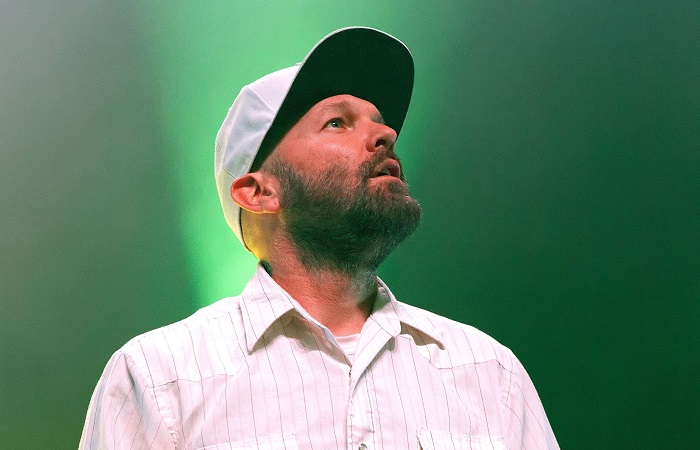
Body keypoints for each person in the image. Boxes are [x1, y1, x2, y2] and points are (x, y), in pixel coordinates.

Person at [80, 27, 558, 449]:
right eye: (337, 122)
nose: (385, 133)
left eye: (379, 121)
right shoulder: (160, 377)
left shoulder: (490, 374)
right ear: (260, 191)